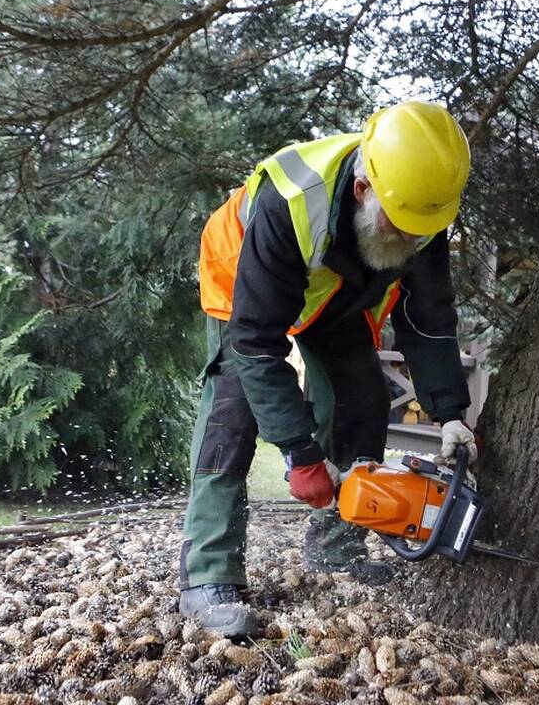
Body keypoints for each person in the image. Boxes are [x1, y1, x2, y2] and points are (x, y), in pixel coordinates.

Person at [178, 101, 480, 637]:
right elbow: (255, 343)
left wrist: (450, 413)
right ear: (364, 190)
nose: (414, 240)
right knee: (234, 412)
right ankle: (207, 575)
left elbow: (427, 317)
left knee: (361, 399)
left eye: (422, 230)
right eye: (403, 227)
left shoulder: (420, 209)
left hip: (334, 289)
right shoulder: (292, 201)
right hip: (244, 277)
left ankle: (335, 550)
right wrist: (300, 454)